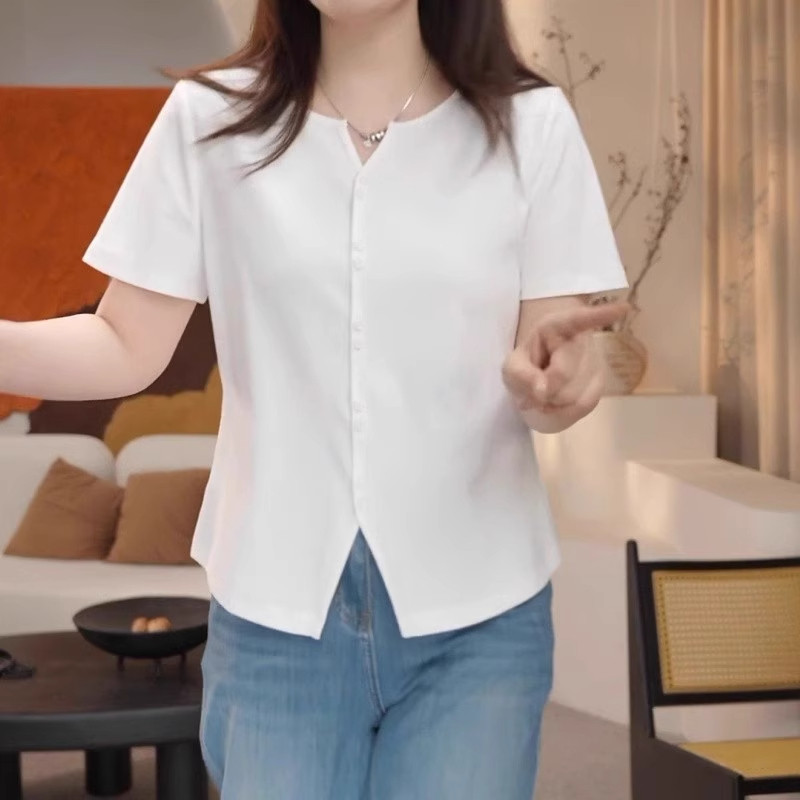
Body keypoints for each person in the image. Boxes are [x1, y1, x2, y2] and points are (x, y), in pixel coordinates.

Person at [0, 0, 629, 797]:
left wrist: (563, 385)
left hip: (478, 619)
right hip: (276, 619)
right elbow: (124, 343)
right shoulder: (209, 119)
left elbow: (548, 371)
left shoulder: (530, 124)